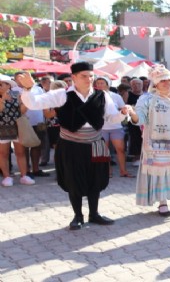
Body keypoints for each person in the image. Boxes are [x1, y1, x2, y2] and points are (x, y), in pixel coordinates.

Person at [18, 62, 129, 230]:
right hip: (70, 144)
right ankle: (78, 216)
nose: (89, 79)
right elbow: (33, 103)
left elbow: (111, 118)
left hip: (95, 143)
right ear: (74, 77)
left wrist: (122, 114)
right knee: (73, 179)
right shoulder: (61, 95)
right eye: (84, 76)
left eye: (91, 76)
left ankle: (94, 214)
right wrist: (27, 89)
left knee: (95, 178)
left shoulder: (103, 96)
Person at [125, 65, 170, 217]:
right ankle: (162, 202)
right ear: (155, 83)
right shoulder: (147, 99)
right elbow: (140, 119)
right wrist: (132, 114)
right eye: (163, 80)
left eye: (169, 80)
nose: (166, 83)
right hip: (157, 144)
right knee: (160, 172)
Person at [0, 76, 34, 187]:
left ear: (8, 85)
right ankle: (6, 177)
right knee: (3, 154)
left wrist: (26, 103)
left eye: (1, 84)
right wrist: (3, 100)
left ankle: (24, 176)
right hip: (2, 128)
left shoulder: (17, 95)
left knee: (20, 152)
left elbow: (21, 111)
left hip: (17, 127)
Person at [94, 77, 132, 178]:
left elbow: (123, 108)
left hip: (116, 127)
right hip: (101, 128)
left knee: (120, 149)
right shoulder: (93, 96)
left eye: (102, 83)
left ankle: (123, 171)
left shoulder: (116, 96)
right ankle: (107, 172)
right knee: (104, 151)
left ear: (107, 84)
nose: (100, 85)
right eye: (98, 83)